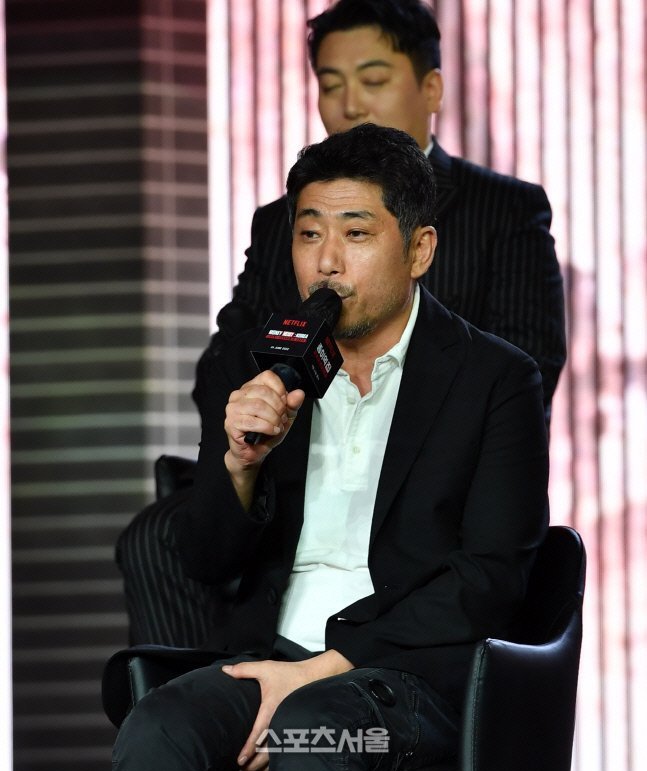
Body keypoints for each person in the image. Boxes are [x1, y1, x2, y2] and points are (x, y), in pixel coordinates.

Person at [116, 0, 564, 648]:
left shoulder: (504, 208)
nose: (351, 103)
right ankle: (206, 685)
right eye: (331, 84)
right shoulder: (287, 219)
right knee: (160, 538)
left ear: (430, 89)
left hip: (435, 471)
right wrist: (259, 418)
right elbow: (227, 356)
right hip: (299, 458)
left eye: (373, 79)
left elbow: (528, 361)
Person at [110, 123, 549, 771]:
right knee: (159, 727)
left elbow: (488, 578)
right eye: (310, 234)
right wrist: (240, 464)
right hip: (268, 658)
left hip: (406, 681)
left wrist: (323, 669)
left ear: (419, 249)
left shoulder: (495, 379)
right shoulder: (260, 364)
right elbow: (204, 559)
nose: (327, 262)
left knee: (312, 737)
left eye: (356, 234)